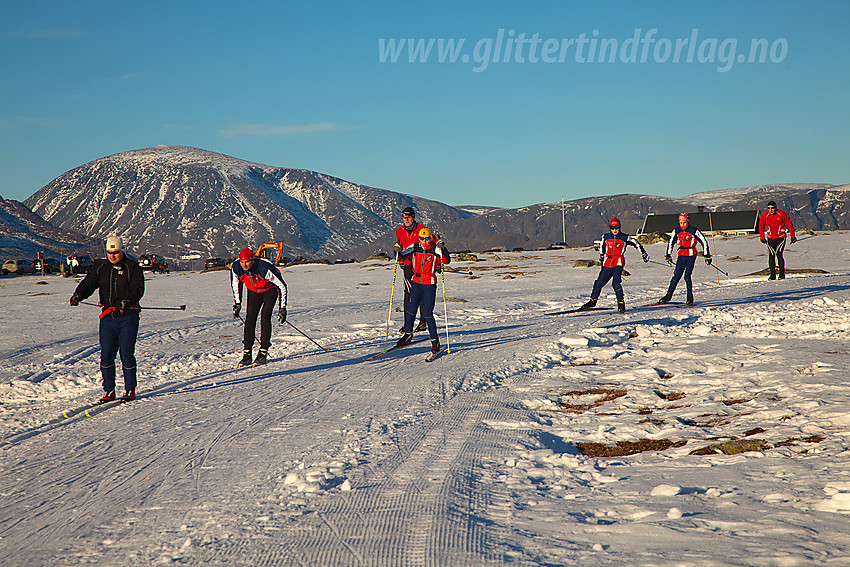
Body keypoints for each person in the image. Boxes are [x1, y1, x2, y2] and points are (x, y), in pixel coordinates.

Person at [69, 236, 144, 402]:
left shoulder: (132, 267)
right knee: (107, 355)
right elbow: (89, 284)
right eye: (109, 252)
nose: (112, 256)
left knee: (126, 354)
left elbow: (138, 288)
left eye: (116, 252)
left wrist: (129, 301)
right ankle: (109, 390)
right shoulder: (100, 267)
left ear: (122, 250)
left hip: (128, 317)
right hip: (108, 317)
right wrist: (78, 295)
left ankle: (130, 389)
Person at [395, 227, 451, 354]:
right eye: (422, 238)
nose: (424, 241)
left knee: (427, 313)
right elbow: (401, 256)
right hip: (416, 281)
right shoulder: (415, 246)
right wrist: (397, 250)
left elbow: (446, 261)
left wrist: (443, 248)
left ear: (431, 238)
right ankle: (408, 334)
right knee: (411, 308)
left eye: (427, 239)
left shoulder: (434, 248)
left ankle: (435, 341)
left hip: (429, 283)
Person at [231, 246, 288, 366]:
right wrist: (237, 303)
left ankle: (263, 352)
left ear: (252, 260)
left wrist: (282, 308)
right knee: (250, 319)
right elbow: (236, 285)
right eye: (242, 262)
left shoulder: (264, 268)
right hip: (253, 291)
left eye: (247, 262)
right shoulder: (236, 267)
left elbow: (282, 286)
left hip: (269, 290)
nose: (244, 265)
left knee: (265, 317)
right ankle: (247, 354)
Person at [578, 217, 649, 313]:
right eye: (612, 228)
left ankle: (621, 303)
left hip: (618, 262)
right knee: (598, 283)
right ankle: (592, 301)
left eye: (616, 228)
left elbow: (637, 244)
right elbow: (602, 246)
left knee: (615, 283)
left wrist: (644, 254)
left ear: (620, 227)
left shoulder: (625, 237)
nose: (614, 230)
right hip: (607, 262)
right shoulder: (606, 237)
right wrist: (602, 255)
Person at [658, 213, 712, 306]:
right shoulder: (676, 230)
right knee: (676, 275)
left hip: (691, 254)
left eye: (684, 223)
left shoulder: (694, 230)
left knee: (687, 276)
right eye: (680, 222)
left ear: (687, 222)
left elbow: (703, 241)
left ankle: (689, 297)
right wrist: (668, 254)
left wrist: (707, 255)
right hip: (681, 254)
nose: (682, 225)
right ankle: (668, 295)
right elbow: (671, 242)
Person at [394, 207, 426, 333]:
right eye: (404, 217)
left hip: (421, 265)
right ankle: (407, 324)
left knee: (422, 293)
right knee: (408, 294)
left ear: (413, 217)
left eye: (408, 217)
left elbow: (432, 244)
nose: (406, 219)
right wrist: (399, 258)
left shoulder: (422, 230)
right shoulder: (399, 231)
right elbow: (399, 247)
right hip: (408, 265)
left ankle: (423, 322)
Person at [758, 200, 796, 280]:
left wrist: (793, 236)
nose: (770, 210)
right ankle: (772, 275)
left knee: (779, 254)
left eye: (772, 208)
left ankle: (782, 275)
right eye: (769, 208)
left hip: (781, 238)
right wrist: (762, 238)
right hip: (770, 238)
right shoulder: (765, 215)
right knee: (771, 256)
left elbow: (789, 225)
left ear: (776, 208)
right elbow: (761, 226)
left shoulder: (782, 214)